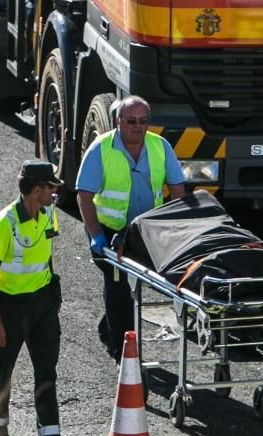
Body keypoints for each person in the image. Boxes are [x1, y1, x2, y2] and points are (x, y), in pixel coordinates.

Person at [76, 95, 187, 362]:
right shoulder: (101, 149)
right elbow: (84, 195)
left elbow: (178, 191)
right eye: (131, 121)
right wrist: (96, 236)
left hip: (145, 231)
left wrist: (178, 230)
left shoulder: (159, 147)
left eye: (143, 121)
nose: (137, 126)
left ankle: (108, 328)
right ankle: (122, 351)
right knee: (118, 285)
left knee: (136, 283)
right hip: (108, 230)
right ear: (118, 122)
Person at [0, 161, 79, 436]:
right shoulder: (4, 224)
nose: (55, 193)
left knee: (47, 374)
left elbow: (47, 255)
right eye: (51, 188)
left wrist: (54, 291)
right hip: (10, 307)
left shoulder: (49, 213)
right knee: (4, 372)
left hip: (43, 304)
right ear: (37, 190)